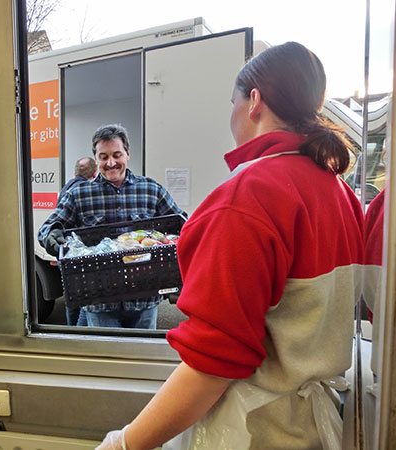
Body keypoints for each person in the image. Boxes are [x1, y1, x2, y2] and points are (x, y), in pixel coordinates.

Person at [96, 42, 364, 449]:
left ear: (254, 101)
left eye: (232, 101)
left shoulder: (246, 198)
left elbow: (212, 364)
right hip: (314, 428)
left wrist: (123, 443)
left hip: (253, 431)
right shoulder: (339, 192)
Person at [38, 123, 186, 329]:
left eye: (117, 154)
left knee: (141, 356)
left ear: (127, 154)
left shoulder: (151, 190)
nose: (111, 163)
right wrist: (51, 235)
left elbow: (180, 225)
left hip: (144, 299)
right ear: (96, 158)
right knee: (105, 357)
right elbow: (48, 228)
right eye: (103, 156)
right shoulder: (79, 195)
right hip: (100, 302)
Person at [58, 156, 97, 326]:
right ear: (95, 173)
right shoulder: (85, 190)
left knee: (72, 297)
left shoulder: (66, 188)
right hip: (79, 255)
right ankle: (79, 332)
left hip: (66, 254)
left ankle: (71, 332)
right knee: (86, 300)